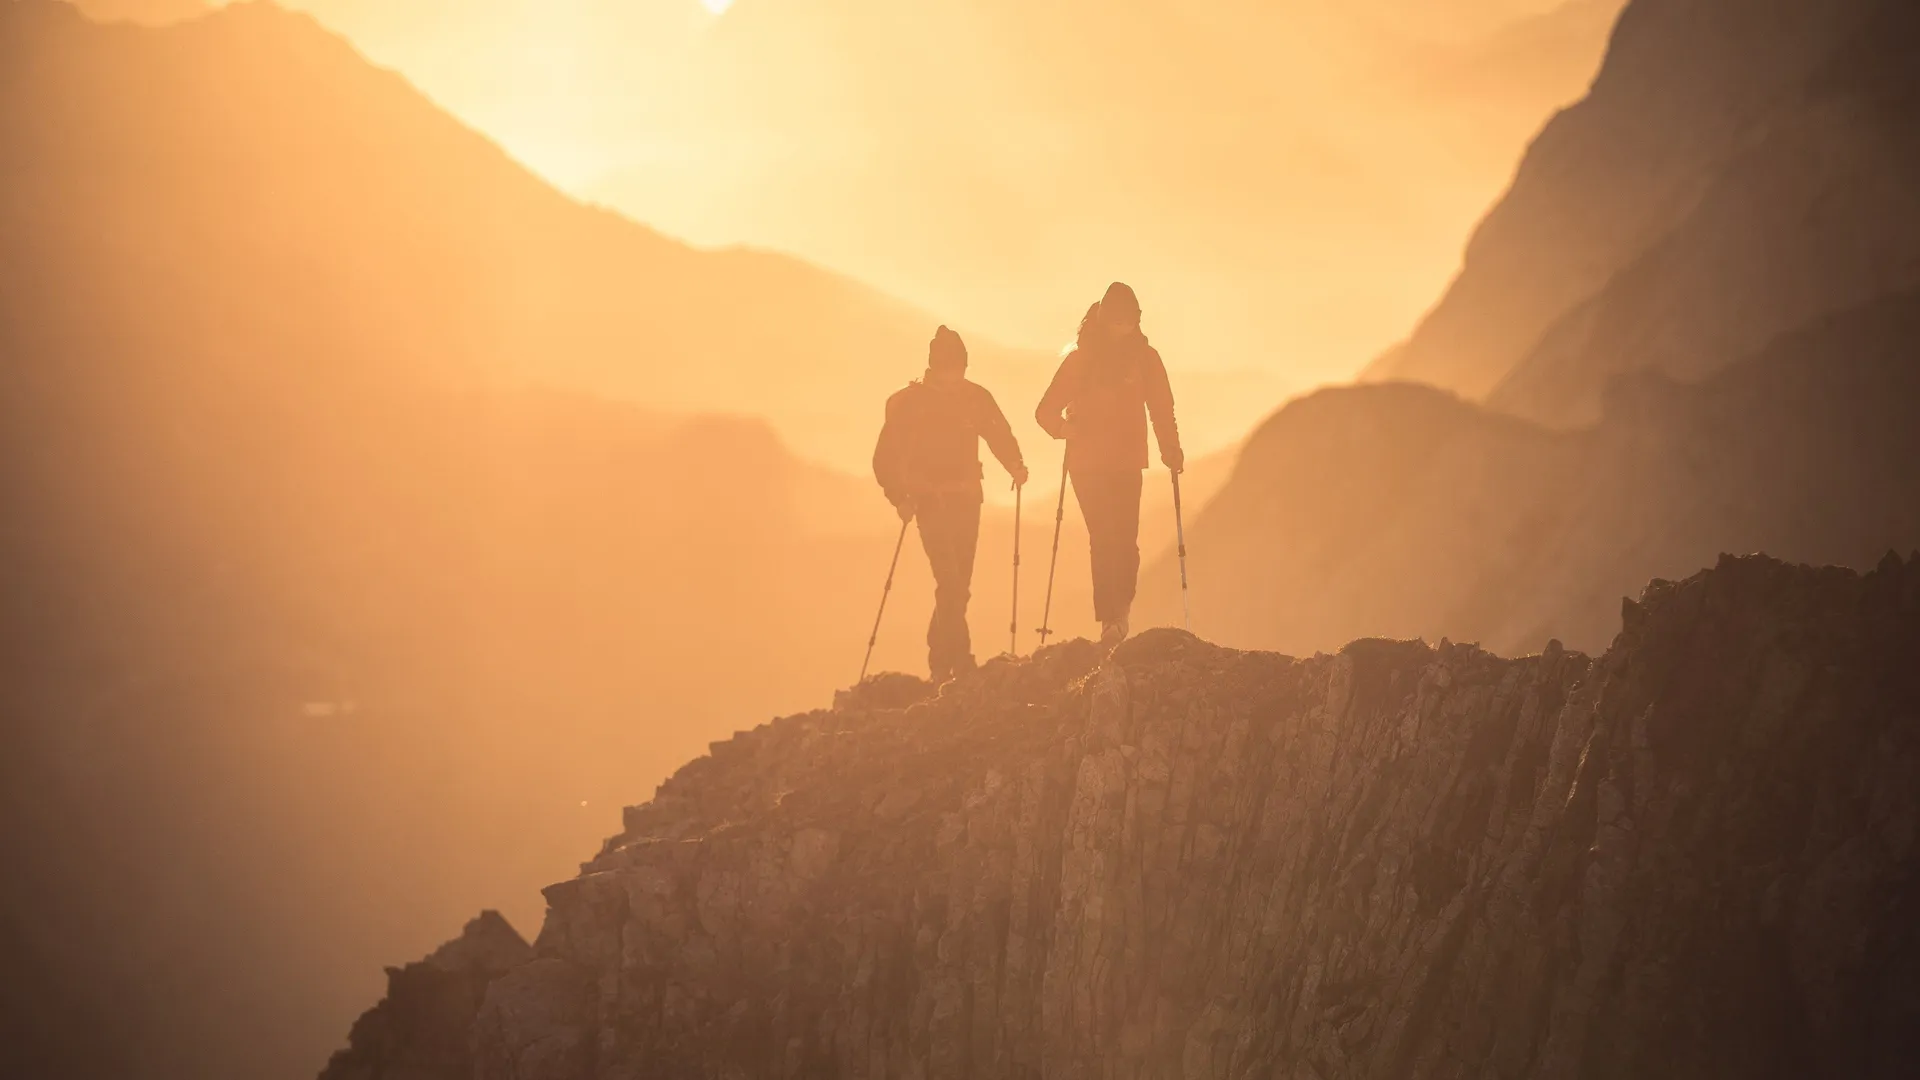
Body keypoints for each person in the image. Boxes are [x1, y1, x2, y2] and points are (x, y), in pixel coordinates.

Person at [873, 325, 1028, 682]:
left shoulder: (973, 397)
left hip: (967, 500)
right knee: (951, 582)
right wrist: (899, 498)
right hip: (930, 502)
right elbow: (884, 458)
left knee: (957, 587)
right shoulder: (912, 404)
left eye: (958, 369)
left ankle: (940, 662)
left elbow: (997, 433)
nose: (953, 377)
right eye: (948, 369)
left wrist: (1015, 464)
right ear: (934, 367)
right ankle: (958, 663)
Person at [1035, 282, 1183, 647]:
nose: (1122, 329)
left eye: (1127, 322)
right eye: (1116, 322)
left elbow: (1162, 408)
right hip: (1087, 466)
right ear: (1104, 321)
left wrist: (1171, 450)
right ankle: (1110, 620)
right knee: (1104, 538)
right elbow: (1044, 412)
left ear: (1136, 321)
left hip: (1127, 462)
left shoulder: (1146, 359)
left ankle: (1120, 611)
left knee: (1125, 540)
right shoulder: (1080, 360)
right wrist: (1065, 430)